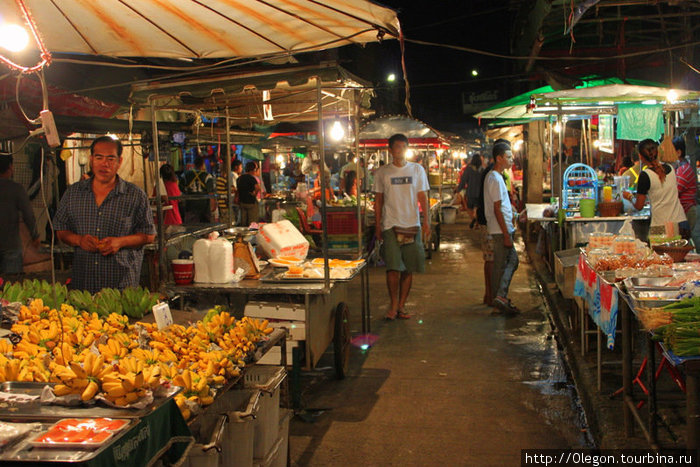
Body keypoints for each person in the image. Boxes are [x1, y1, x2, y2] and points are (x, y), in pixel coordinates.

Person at [54, 136, 156, 293]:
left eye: (110, 158)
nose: (104, 164)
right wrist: (79, 240)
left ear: (119, 161)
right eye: (99, 157)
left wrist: (120, 242)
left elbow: (149, 235)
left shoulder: (135, 195)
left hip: (121, 286)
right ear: (91, 159)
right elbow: (61, 230)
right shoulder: (73, 193)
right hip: (83, 286)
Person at [374, 133, 430, 320]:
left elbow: (423, 197)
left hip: (412, 225)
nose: (400, 150)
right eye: (397, 147)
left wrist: (427, 222)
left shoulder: (417, 170)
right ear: (390, 150)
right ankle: (393, 304)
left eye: (403, 147)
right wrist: (377, 225)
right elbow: (378, 200)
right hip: (391, 224)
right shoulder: (382, 173)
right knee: (392, 268)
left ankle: (401, 306)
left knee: (408, 268)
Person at [484, 142, 525, 314]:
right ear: (499, 158)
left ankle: (499, 298)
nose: (512, 160)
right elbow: (496, 208)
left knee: (507, 263)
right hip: (500, 231)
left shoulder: (499, 177)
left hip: (504, 228)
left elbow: (502, 206)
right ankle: (499, 297)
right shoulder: (494, 178)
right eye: (508, 157)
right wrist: (506, 234)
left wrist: (514, 214)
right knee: (505, 264)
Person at [623, 139, 687, 236]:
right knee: (679, 251)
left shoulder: (645, 175)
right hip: (681, 223)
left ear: (640, 156)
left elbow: (639, 206)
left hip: (661, 227)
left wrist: (629, 197)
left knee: (661, 252)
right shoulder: (671, 168)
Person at [0, 155, 40, 274]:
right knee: (12, 286)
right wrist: (35, 236)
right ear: (10, 167)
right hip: (10, 246)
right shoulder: (16, 188)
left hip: (10, 247)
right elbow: (28, 214)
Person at [673, 137, 697, 235]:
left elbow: (675, 192)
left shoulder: (684, 170)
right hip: (684, 211)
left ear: (678, 152)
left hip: (687, 211)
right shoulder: (680, 168)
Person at [182, 156, 215, 224]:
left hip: (190, 205)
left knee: (191, 228)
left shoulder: (186, 175)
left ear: (194, 164)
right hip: (204, 206)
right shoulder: (207, 176)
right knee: (205, 228)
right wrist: (213, 204)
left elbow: (181, 189)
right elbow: (211, 192)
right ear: (203, 164)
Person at [216, 159, 242, 225]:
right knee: (228, 222)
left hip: (222, 204)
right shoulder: (224, 180)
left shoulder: (219, 179)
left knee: (224, 221)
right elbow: (233, 189)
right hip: (225, 204)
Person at [236, 161, 261, 226]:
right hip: (251, 202)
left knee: (243, 221)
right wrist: (254, 194)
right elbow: (258, 188)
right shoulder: (251, 178)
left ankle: (244, 234)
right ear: (253, 170)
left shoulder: (239, 178)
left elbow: (237, 190)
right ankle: (252, 235)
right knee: (252, 221)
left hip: (242, 202)